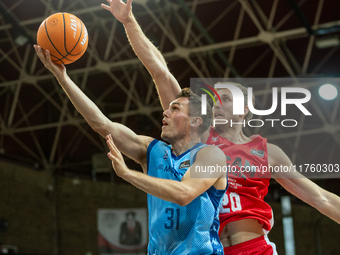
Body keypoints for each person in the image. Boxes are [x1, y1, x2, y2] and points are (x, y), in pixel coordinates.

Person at [100, 0, 340, 254]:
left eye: (226, 99)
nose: (216, 104)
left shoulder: (268, 153)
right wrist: (129, 22)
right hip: (212, 249)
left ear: (245, 108)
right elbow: (160, 72)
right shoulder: (201, 137)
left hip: (255, 247)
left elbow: (320, 198)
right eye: (215, 99)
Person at [33, 45, 227, 254]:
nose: (165, 112)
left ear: (196, 121)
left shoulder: (210, 155)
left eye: (175, 108)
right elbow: (101, 124)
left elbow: (183, 194)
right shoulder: (153, 150)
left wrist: (127, 174)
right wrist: (63, 78)